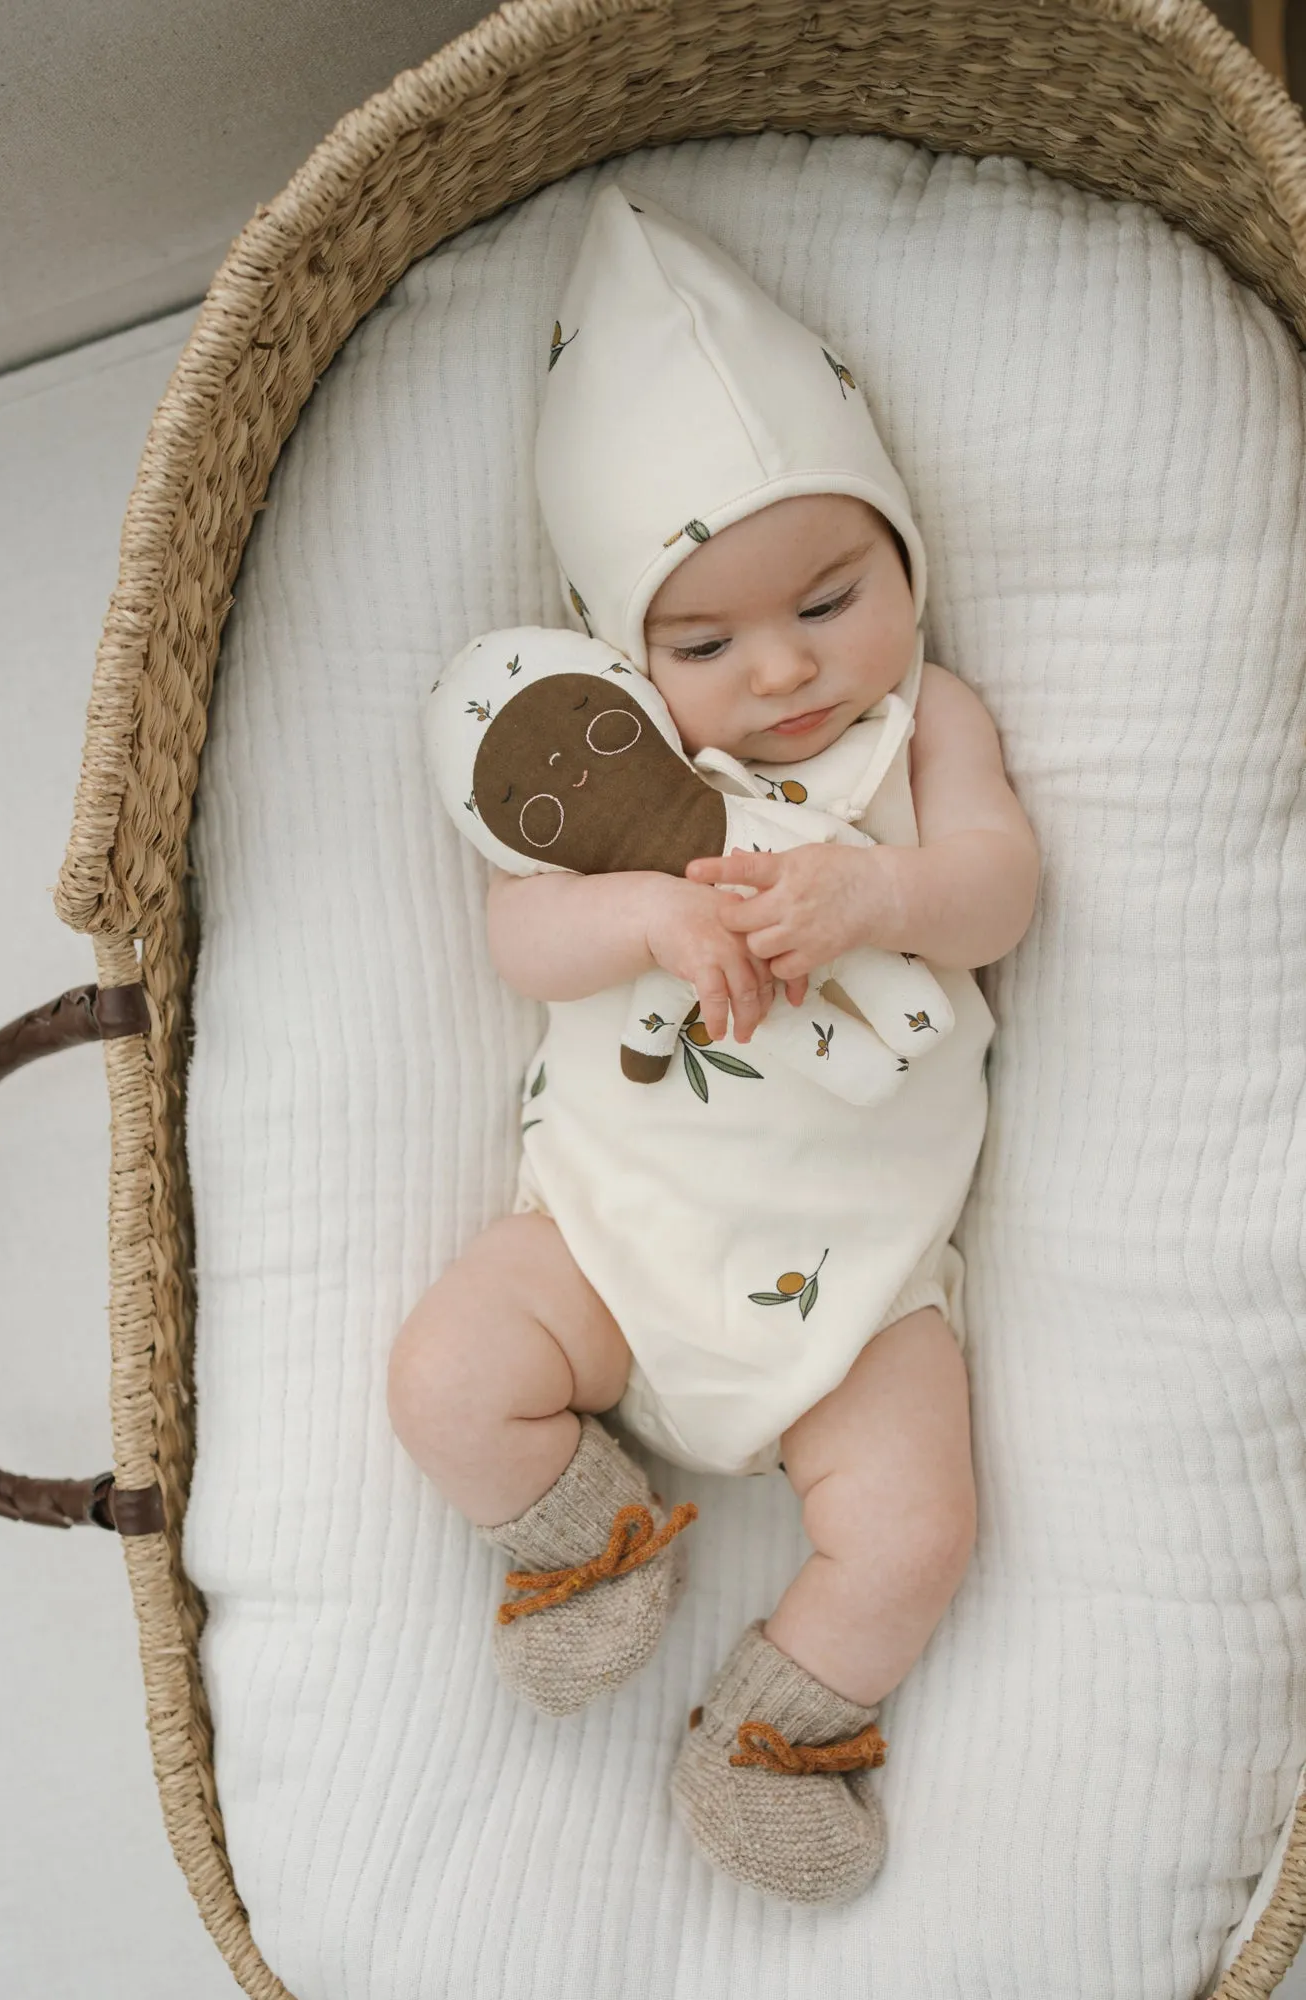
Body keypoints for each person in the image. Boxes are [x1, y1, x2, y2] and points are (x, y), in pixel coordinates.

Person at [388, 183, 1039, 1905]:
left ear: (907, 561)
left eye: (830, 599)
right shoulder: (622, 783)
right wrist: (653, 917)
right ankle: (588, 1541)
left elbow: (999, 894)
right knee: (445, 1378)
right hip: (612, 1241)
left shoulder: (922, 733)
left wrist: (882, 892)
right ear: (628, 651)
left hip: (863, 1284)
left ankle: (783, 1726)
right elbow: (515, 934)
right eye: (706, 642)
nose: (781, 676)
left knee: (917, 1528)